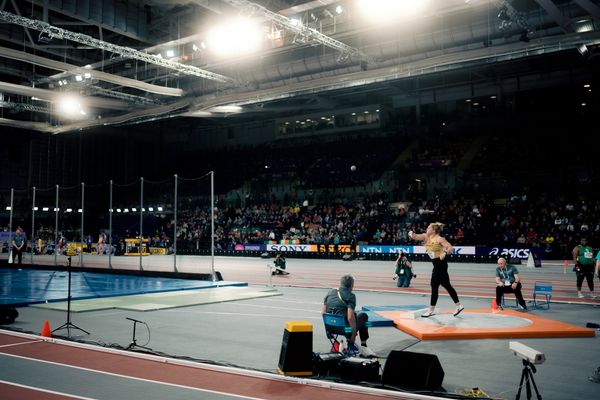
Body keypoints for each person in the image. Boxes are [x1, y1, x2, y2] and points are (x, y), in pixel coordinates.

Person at [408, 222, 464, 317]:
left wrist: (445, 252)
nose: (427, 228)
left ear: (433, 230)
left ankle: (431, 310)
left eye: (429, 228)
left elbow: (450, 247)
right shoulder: (425, 237)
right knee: (447, 285)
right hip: (436, 265)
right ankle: (459, 305)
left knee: (434, 285)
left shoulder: (439, 239)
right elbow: (416, 236)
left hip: (441, 264)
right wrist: (411, 233)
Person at [321, 274, 375, 357]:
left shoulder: (330, 292)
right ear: (351, 285)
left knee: (354, 315)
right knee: (364, 316)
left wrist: (328, 330)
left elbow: (323, 313)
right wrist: (353, 334)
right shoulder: (351, 296)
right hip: (345, 329)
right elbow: (350, 318)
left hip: (330, 328)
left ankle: (347, 344)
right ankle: (363, 345)